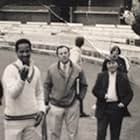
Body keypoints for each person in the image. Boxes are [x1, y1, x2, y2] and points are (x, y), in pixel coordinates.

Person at [2, 38, 46, 140]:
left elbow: (39, 93)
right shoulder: (10, 70)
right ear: (16, 52)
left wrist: (41, 109)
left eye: (27, 51)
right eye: (21, 51)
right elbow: (13, 94)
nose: (25, 54)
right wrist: (21, 80)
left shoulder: (36, 70)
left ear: (31, 51)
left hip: (32, 119)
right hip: (13, 120)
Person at [44, 45, 88, 140]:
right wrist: (46, 101)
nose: (64, 55)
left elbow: (84, 85)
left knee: (72, 134)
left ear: (69, 54)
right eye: (61, 53)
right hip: (55, 105)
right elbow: (47, 85)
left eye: (65, 53)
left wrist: (79, 99)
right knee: (54, 134)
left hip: (72, 105)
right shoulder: (51, 69)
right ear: (57, 55)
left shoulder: (78, 69)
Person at [92, 59, 133, 140]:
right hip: (103, 108)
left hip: (116, 108)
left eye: (113, 63)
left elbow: (130, 93)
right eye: (109, 63)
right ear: (106, 65)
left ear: (117, 64)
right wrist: (103, 95)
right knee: (101, 133)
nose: (111, 65)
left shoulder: (123, 76)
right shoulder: (101, 76)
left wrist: (123, 103)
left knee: (115, 134)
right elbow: (95, 90)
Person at [70, 36, 89, 117]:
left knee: (79, 90)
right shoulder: (75, 52)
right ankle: (79, 111)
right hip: (76, 74)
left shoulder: (75, 50)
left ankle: (80, 110)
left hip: (76, 73)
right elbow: (74, 63)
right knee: (80, 90)